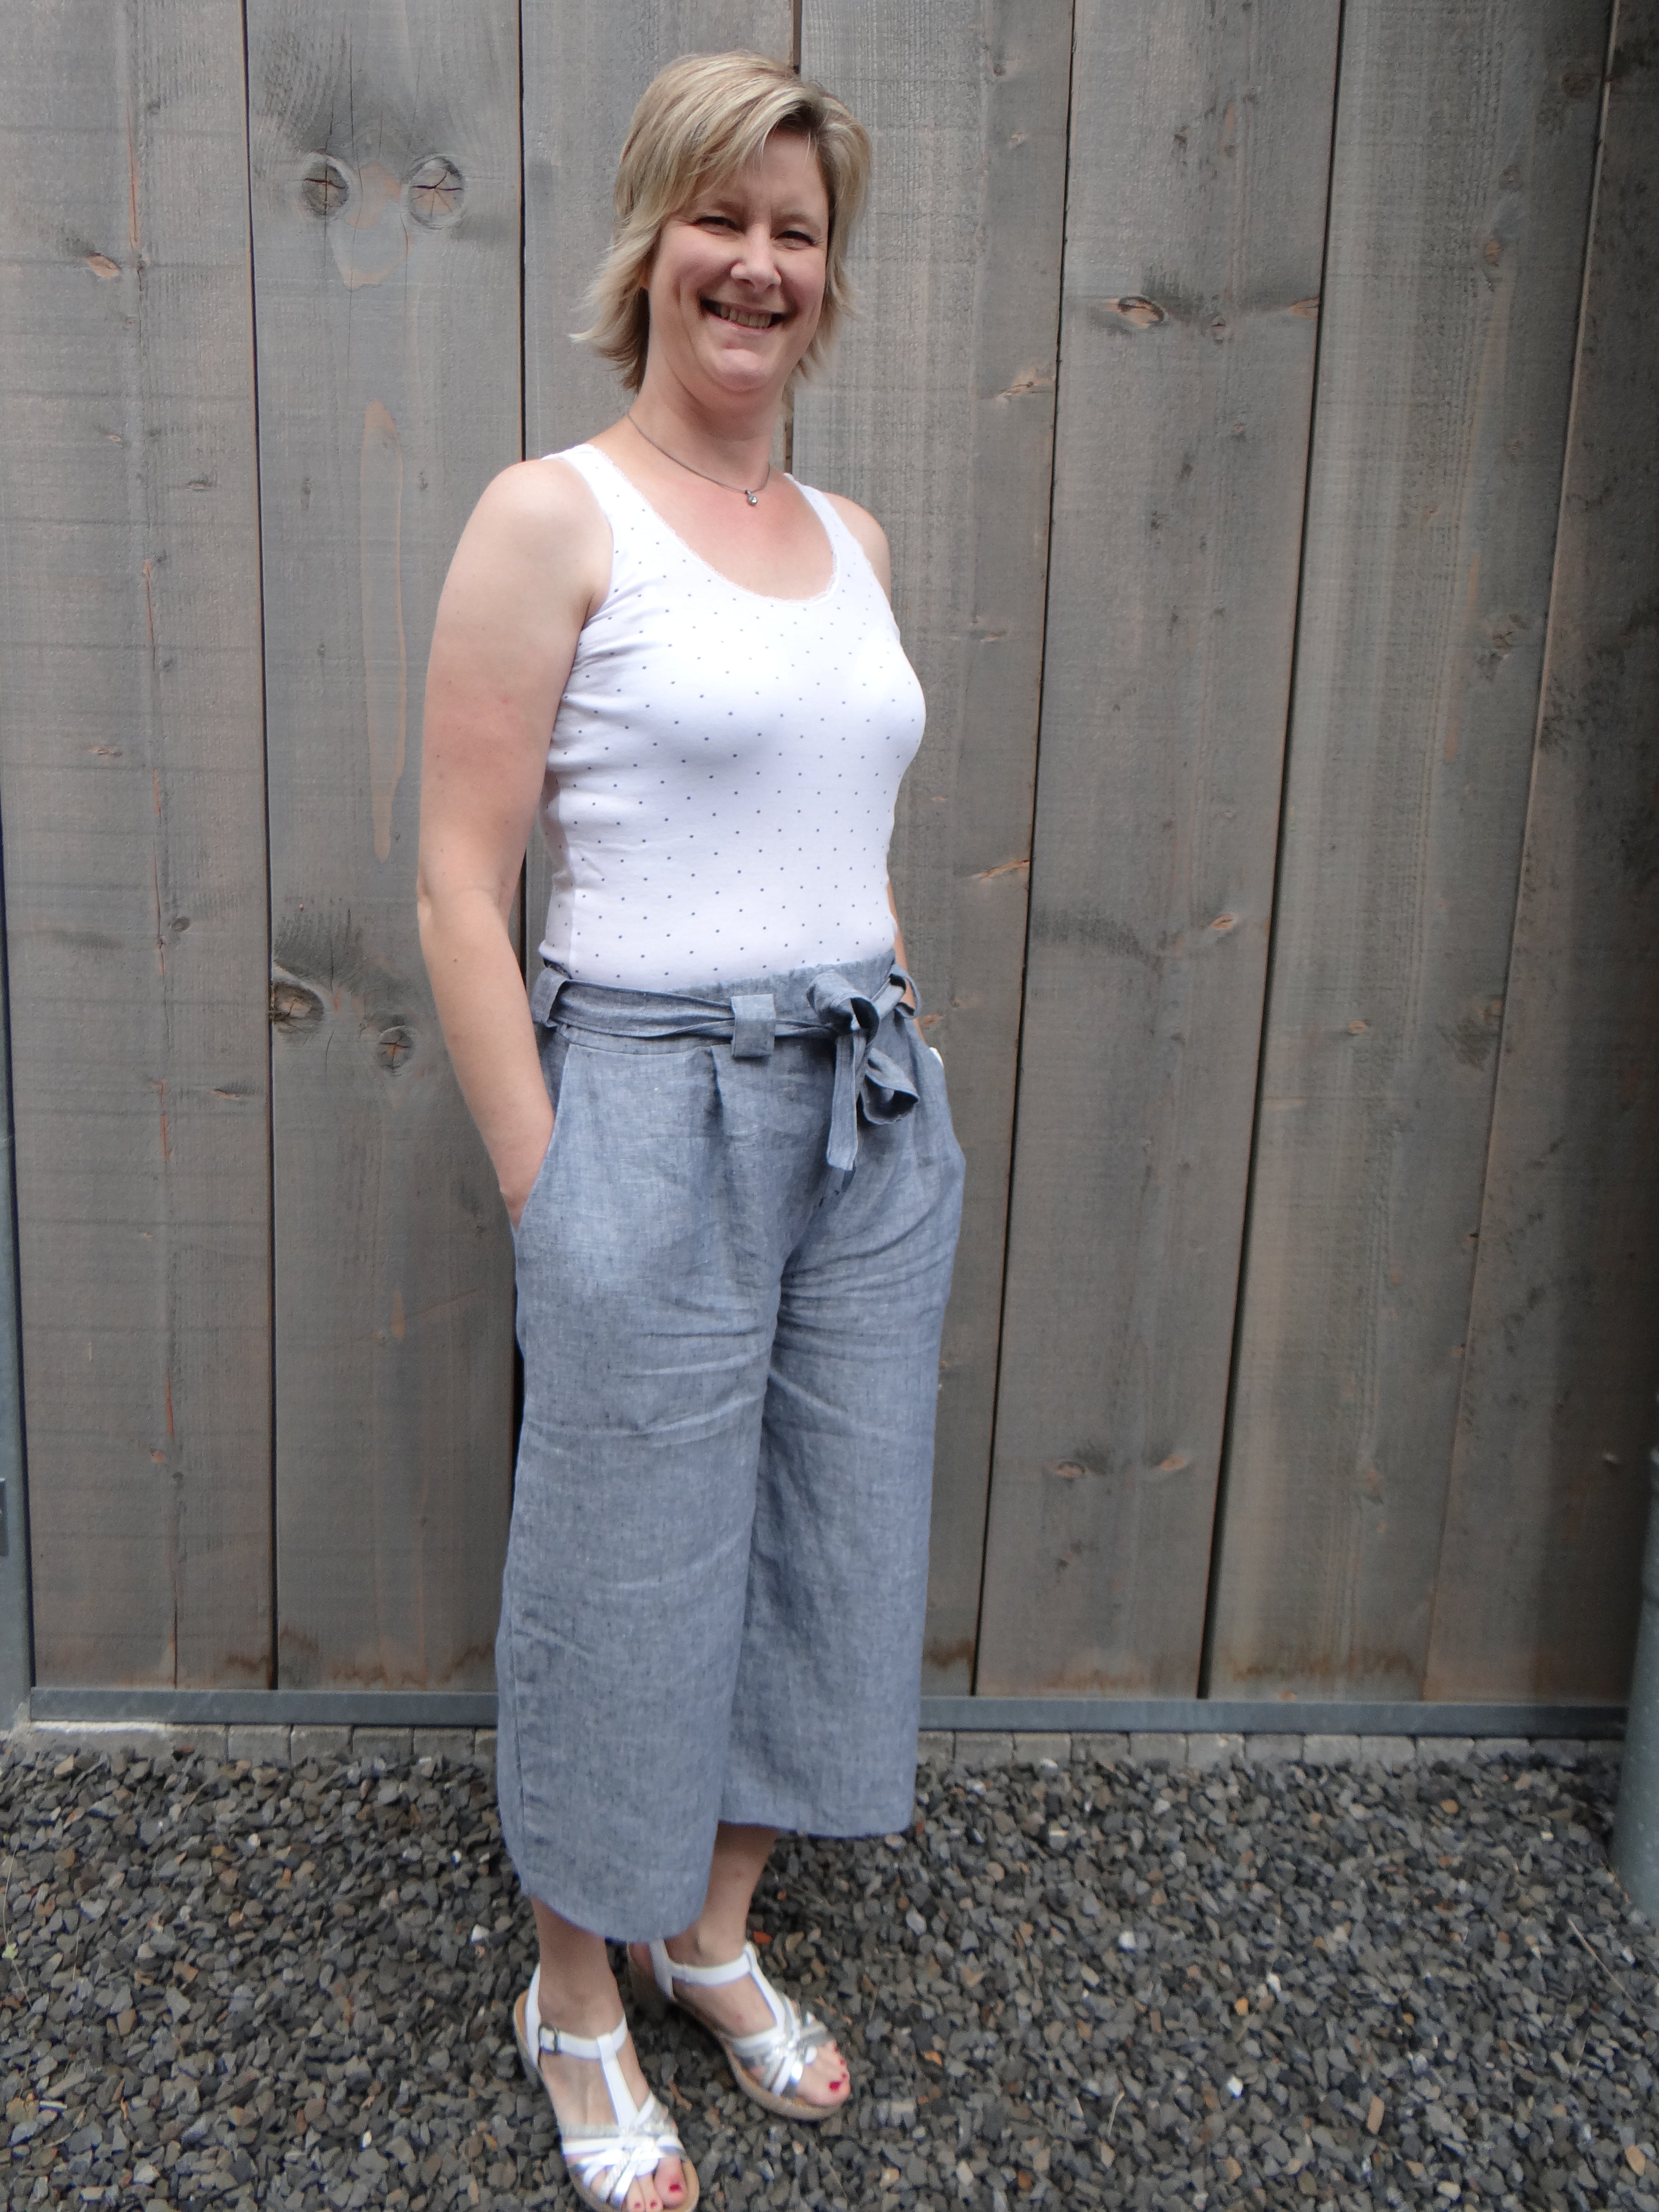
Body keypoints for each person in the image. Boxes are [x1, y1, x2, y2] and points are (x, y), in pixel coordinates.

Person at [417, 50, 964, 2212]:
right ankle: (576, 1994)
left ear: (830, 275)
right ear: (651, 243)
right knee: (624, 1572)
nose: (757, 263)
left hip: (866, 1111)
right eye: (720, 219)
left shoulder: (855, 541)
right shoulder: (554, 516)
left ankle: (709, 1929)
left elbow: (849, 828)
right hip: (645, 1104)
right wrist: (548, 1183)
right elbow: (458, 882)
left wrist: (901, 1023)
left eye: (796, 231)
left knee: (834, 1537)